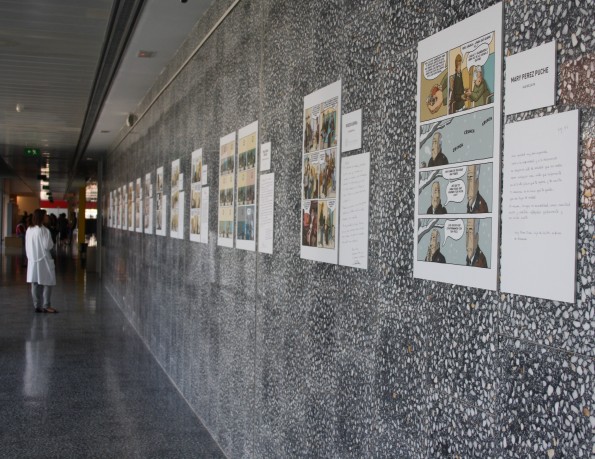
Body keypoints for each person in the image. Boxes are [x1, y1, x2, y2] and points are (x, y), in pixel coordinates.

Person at [26, 209, 58, 313]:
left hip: (32, 259)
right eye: (45, 215)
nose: (47, 217)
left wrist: (30, 256)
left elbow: (27, 245)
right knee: (47, 281)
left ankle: (37, 305)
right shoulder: (44, 231)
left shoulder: (29, 230)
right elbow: (48, 246)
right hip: (44, 259)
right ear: (41, 217)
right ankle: (46, 305)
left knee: (35, 283)